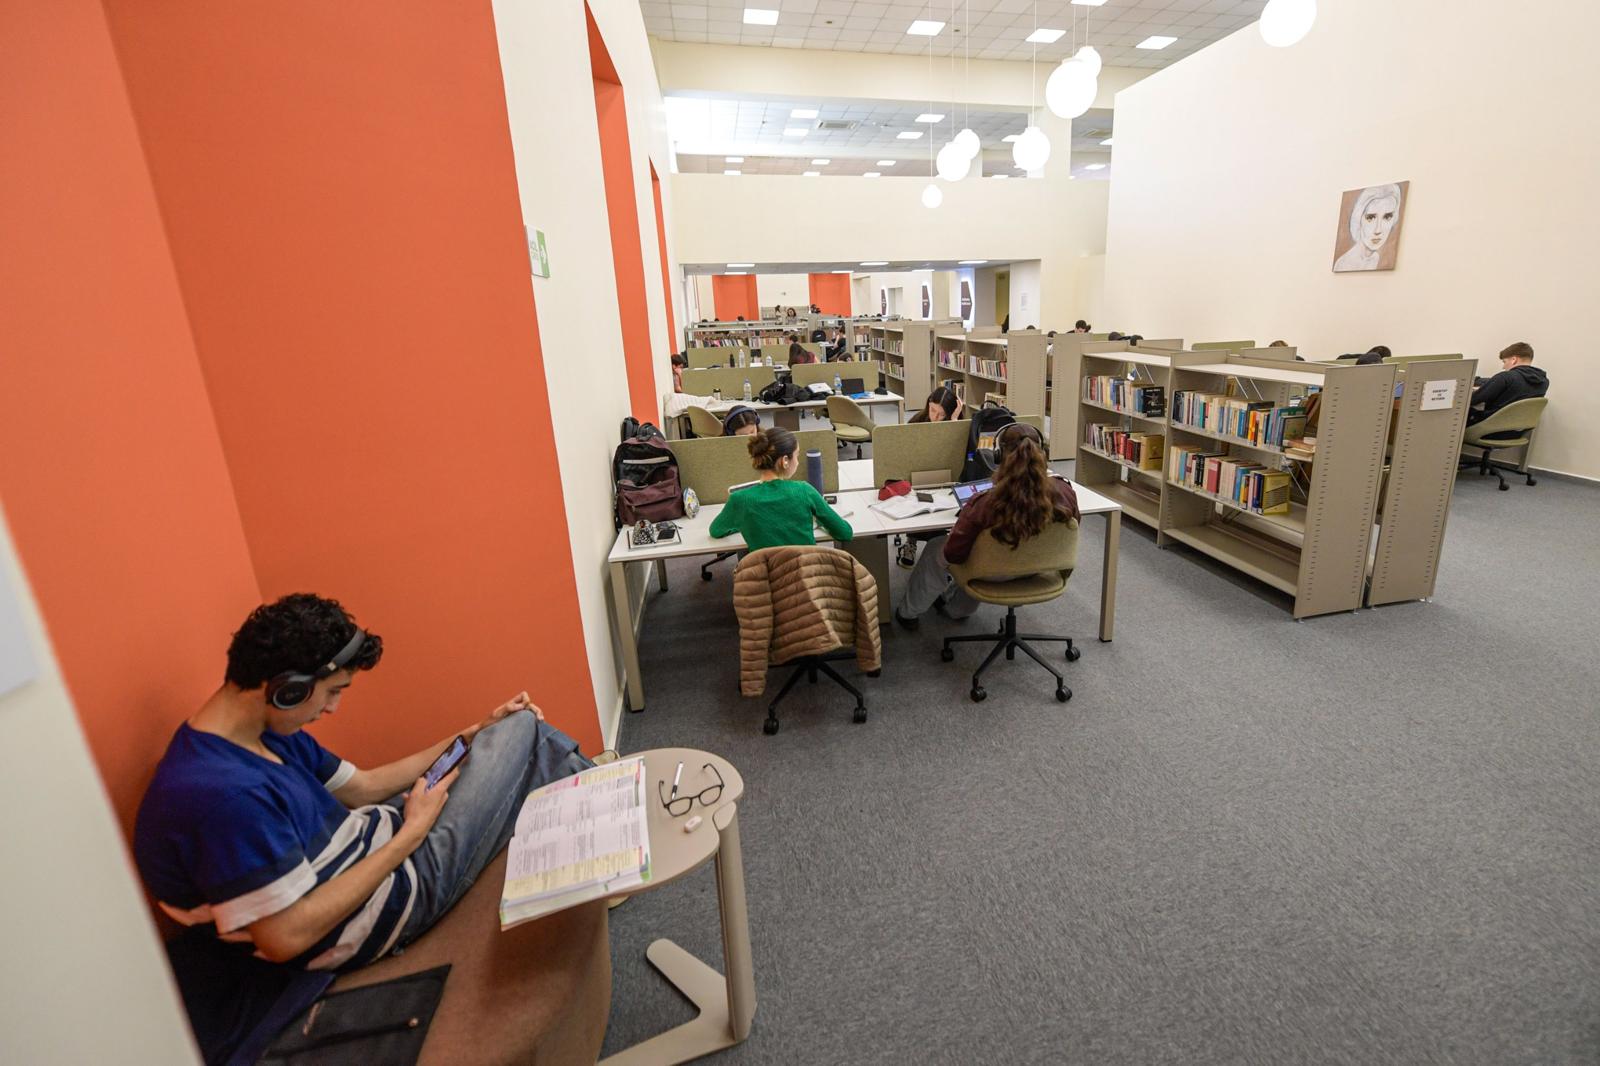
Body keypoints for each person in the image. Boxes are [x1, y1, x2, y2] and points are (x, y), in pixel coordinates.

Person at [133, 594, 592, 972]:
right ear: (288, 690)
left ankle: (596, 819)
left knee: (511, 734)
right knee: (523, 731)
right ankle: (602, 822)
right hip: (396, 895)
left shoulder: (260, 733)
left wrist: (473, 734)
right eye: (332, 692)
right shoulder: (224, 797)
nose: (331, 709)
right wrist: (412, 833)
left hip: (382, 834)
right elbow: (285, 937)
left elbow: (366, 787)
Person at [895, 424, 1078, 628]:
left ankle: (908, 613)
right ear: (1042, 453)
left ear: (998, 456)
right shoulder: (1066, 492)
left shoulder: (985, 503)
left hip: (992, 571)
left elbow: (954, 554)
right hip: (1040, 566)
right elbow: (1069, 531)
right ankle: (955, 609)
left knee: (935, 549)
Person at [710, 427, 852, 549]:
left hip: (767, 572)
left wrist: (743, 522)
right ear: (785, 461)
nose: (797, 462)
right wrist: (819, 519)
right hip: (806, 570)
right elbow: (845, 533)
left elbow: (715, 531)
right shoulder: (804, 490)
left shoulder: (739, 499)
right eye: (796, 456)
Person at [1468, 341, 1548, 428]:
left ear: (1514, 360)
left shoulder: (1506, 377)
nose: (1503, 367)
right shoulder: (1544, 381)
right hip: (1517, 430)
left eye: (1504, 362)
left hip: (1491, 428)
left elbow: (1473, 399)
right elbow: (1495, 382)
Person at [1333, 183, 1404, 272]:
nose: (1378, 230)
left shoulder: (1375, 257)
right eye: (1370, 218)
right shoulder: (1343, 264)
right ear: (1358, 219)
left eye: (1387, 217)